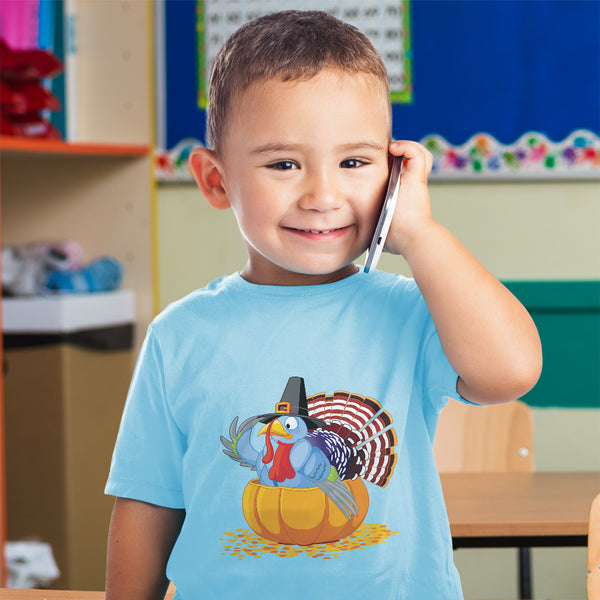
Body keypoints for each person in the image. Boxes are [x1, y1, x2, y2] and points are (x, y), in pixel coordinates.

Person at [105, 10, 542, 600]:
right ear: (215, 180)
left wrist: (419, 233)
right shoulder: (179, 334)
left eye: (354, 162)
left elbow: (511, 372)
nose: (323, 195)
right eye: (283, 164)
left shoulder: (413, 312)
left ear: (393, 174)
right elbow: (148, 501)